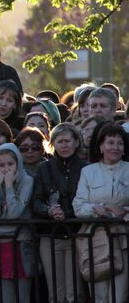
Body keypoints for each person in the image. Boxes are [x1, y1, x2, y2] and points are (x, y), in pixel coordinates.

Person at [73, 123, 129, 302]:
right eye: (110, 142)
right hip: (95, 240)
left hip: (123, 240)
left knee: (119, 297)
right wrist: (100, 209)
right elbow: (79, 206)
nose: (115, 147)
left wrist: (121, 212)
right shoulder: (88, 171)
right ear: (101, 146)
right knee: (99, 296)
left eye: (119, 143)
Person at [33, 123, 87, 303]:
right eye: (59, 141)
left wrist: (67, 213)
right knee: (55, 292)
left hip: (76, 234)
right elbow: (36, 200)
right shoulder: (43, 168)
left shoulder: (85, 168)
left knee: (75, 292)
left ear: (76, 142)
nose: (64, 145)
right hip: (50, 235)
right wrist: (49, 211)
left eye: (67, 141)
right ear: (53, 143)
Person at [0, 143, 34, 303]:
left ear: (18, 162)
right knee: (6, 297)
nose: (6, 169)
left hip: (21, 244)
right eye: (2, 165)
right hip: (1, 243)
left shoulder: (27, 180)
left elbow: (14, 213)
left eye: (10, 164)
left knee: (22, 296)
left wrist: (10, 186)